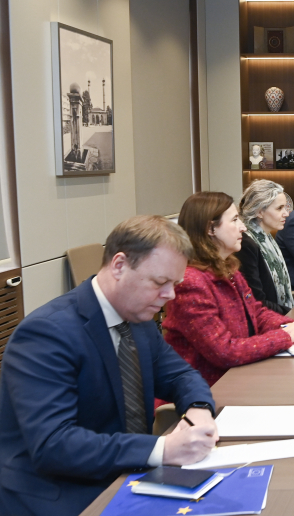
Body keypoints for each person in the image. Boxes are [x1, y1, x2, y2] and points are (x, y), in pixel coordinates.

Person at [0, 216, 218, 516]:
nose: (170, 295)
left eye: (175, 284)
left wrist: (198, 409)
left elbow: (180, 374)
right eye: (160, 282)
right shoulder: (46, 334)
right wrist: (163, 449)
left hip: (125, 475)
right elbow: (54, 445)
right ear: (119, 266)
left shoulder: (138, 318)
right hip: (60, 493)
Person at [162, 192, 294, 386]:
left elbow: (255, 312)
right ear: (210, 229)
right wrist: (286, 336)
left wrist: (290, 325)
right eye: (234, 220)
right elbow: (224, 351)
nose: (243, 227)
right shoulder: (191, 283)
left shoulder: (228, 269)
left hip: (238, 377)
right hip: (207, 389)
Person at [236, 179, 294, 315]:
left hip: (279, 314)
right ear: (260, 212)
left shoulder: (267, 238)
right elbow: (257, 301)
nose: (286, 213)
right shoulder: (246, 244)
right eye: (279, 208)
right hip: (268, 320)